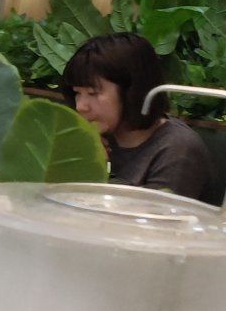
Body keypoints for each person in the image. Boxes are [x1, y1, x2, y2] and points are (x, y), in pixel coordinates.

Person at [62, 31, 215, 200]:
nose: (81, 106)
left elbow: (155, 214)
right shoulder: (96, 136)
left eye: (93, 93)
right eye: (77, 93)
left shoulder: (177, 149)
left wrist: (97, 170)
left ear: (132, 91)